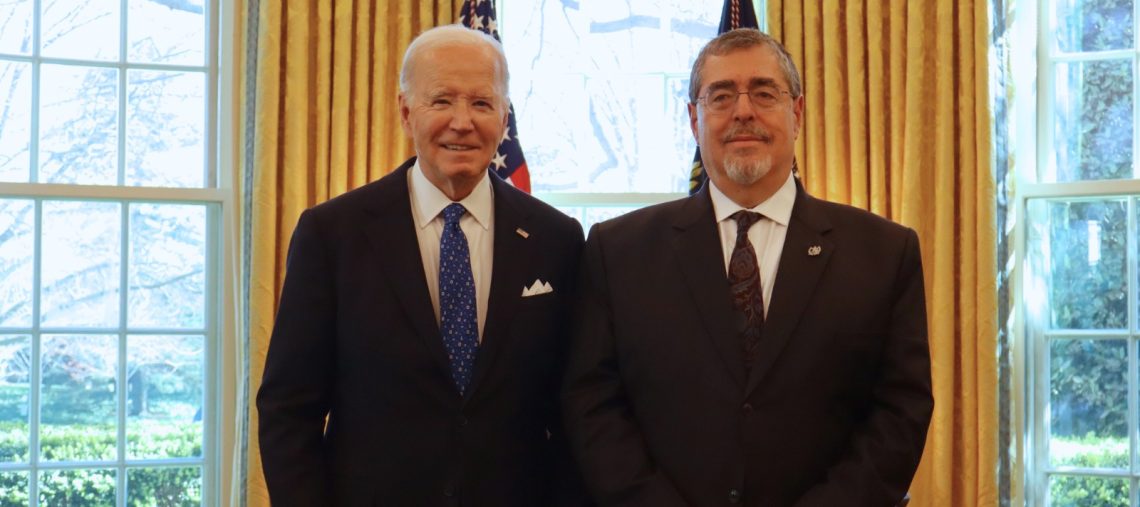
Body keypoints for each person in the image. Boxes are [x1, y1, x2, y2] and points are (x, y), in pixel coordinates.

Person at [563, 28, 933, 507]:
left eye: (763, 92)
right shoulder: (618, 251)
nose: (743, 111)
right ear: (694, 120)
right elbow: (593, 405)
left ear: (796, 113)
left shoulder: (884, 252)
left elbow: (901, 410)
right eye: (720, 96)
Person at [257, 24, 587, 506]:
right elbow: (289, 410)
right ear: (406, 111)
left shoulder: (557, 238)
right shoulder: (332, 234)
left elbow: (574, 408)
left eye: (481, 102)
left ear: (503, 115)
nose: (462, 121)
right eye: (441, 101)